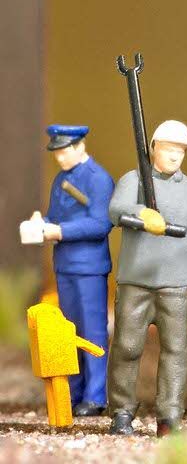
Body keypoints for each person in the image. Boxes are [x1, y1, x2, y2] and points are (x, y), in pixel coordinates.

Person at [107, 120, 187, 437]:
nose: (174, 156)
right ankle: (121, 412)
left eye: (180, 151)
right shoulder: (134, 181)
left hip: (176, 283)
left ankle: (169, 417)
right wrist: (142, 214)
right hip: (136, 281)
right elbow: (115, 211)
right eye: (168, 149)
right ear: (154, 148)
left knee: (176, 351)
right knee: (126, 347)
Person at [20, 125, 113, 416]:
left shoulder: (99, 179)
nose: (59, 158)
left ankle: (95, 396)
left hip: (89, 267)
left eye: (64, 152)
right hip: (65, 265)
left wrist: (59, 231)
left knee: (92, 332)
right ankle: (72, 392)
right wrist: (41, 223)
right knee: (67, 331)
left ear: (80, 146)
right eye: (57, 153)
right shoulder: (61, 179)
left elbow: (100, 224)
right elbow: (55, 216)